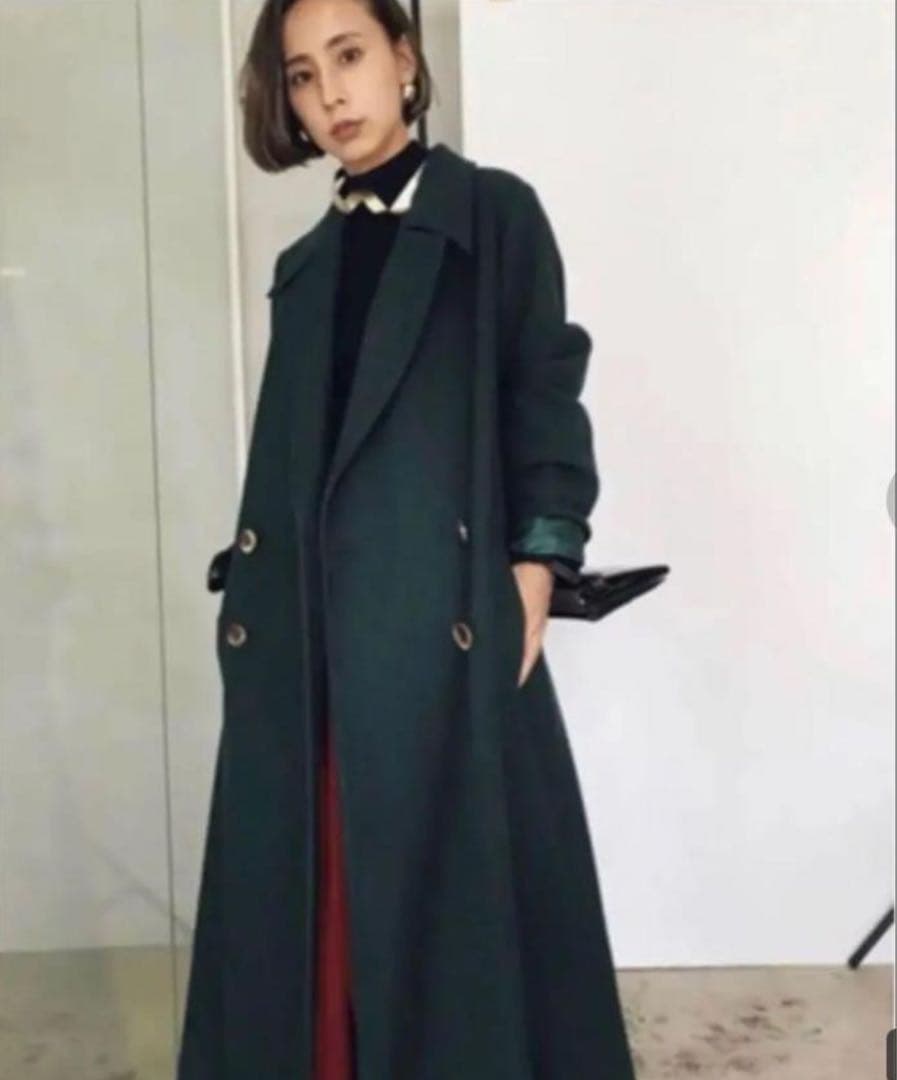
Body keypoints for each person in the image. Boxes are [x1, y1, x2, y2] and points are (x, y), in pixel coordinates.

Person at [177, 0, 638, 1077]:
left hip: (439, 626)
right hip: (310, 640)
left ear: (404, 59)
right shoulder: (306, 265)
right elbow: (297, 463)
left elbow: (543, 390)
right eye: (302, 75)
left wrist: (539, 561)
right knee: (317, 906)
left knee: (458, 925)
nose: (329, 93)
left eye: (347, 56)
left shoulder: (492, 215)